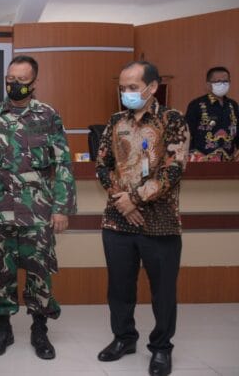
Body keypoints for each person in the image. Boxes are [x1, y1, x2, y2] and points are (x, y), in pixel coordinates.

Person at [0, 55, 77, 360]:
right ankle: (3, 329)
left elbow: (63, 163)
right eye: (10, 80)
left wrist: (62, 208)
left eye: (21, 81)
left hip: (37, 213)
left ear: (34, 83)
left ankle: (40, 330)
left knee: (40, 272)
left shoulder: (48, 116)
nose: (14, 85)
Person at [95, 61, 190, 376]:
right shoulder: (115, 121)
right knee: (119, 289)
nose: (126, 93)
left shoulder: (172, 120)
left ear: (152, 87)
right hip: (117, 221)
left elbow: (173, 169)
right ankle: (124, 338)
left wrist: (134, 199)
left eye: (133, 87)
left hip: (160, 223)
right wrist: (121, 201)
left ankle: (161, 348)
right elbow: (102, 165)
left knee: (163, 292)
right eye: (123, 87)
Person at [185, 66, 238, 161]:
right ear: (208, 84)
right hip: (201, 159)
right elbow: (187, 132)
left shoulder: (233, 105)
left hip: (228, 160)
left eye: (225, 81)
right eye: (218, 81)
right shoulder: (196, 104)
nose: (222, 84)